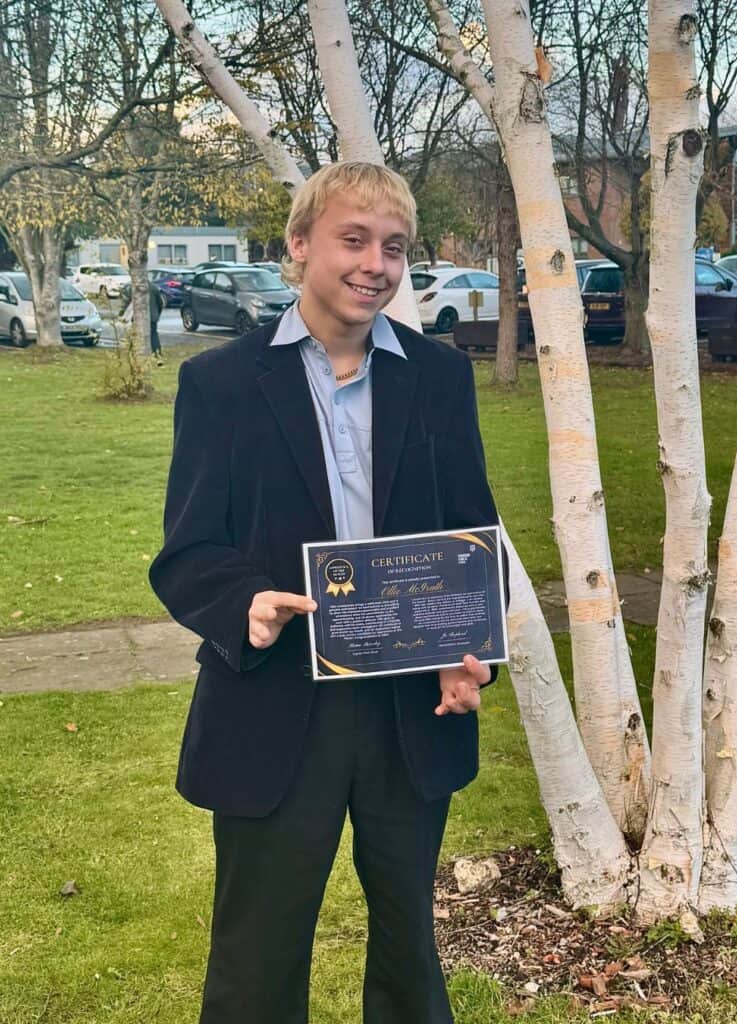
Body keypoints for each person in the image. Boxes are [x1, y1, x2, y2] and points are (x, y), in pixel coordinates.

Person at [149, 162, 505, 1024]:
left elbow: (469, 535)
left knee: (410, 958)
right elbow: (189, 551)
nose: (375, 265)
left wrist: (471, 658)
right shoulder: (223, 386)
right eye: (353, 240)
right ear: (299, 246)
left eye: (393, 248)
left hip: (407, 710)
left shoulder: (437, 377)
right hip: (274, 710)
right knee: (257, 960)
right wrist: (247, 605)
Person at [148, 281, 163, 362]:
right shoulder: (154, 287)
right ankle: (157, 351)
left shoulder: (135, 288)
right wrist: (157, 313)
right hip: (153, 316)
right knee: (153, 334)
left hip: (139, 317)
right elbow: (160, 303)